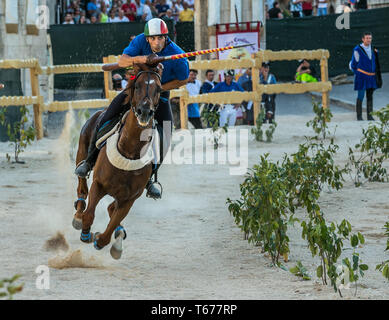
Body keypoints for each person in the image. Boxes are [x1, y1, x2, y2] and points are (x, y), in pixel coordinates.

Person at [75, 18, 189, 200]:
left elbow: (183, 79)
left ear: (166, 38)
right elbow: (122, 60)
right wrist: (141, 59)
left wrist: (158, 89)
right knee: (106, 116)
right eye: (153, 39)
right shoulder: (139, 41)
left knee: (166, 133)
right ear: (147, 39)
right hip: (134, 91)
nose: (157, 42)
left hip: (159, 98)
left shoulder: (177, 55)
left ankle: (150, 178)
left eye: (160, 38)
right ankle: (89, 161)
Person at [349, 31, 381, 121]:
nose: (369, 40)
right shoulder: (357, 49)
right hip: (362, 77)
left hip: (371, 77)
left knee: (370, 96)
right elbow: (353, 64)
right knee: (361, 95)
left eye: (370, 38)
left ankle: (370, 116)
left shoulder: (374, 49)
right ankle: (359, 116)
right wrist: (358, 74)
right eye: (367, 38)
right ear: (363, 39)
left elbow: (376, 63)